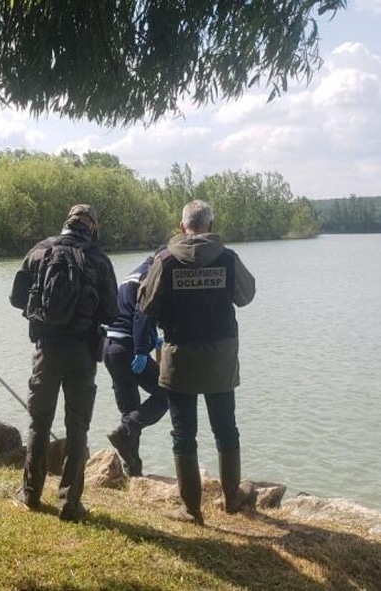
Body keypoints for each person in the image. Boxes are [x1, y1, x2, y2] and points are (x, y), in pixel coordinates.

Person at [138, 200, 256, 525]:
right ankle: (232, 498)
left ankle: (191, 509)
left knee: (183, 432)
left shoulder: (164, 260)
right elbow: (246, 296)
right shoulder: (228, 258)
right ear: (211, 225)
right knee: (225, 428)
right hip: (220, 357)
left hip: (180, 357)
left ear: (181, 227)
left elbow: (144, 303)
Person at [10, 204, 118, 522]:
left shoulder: (40, 250)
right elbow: (112, 312)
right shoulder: (98, 258)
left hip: (46, 349)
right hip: (83, 352)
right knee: (77, 426)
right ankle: (70, 503)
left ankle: (30, 494)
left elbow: (17, 298)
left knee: (39, 422)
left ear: (66, 223)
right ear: (92, 228)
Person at [103, 250, 169, 477]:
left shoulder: (130, 275)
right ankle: (126, 430)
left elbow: (123, 312)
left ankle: (133, 468)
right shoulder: (149, 277)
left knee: (130, 409)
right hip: (129, 348)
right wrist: (141, 349)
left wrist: (152, 339)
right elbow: (142, 314)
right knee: (166, 394)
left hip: (111, 348)